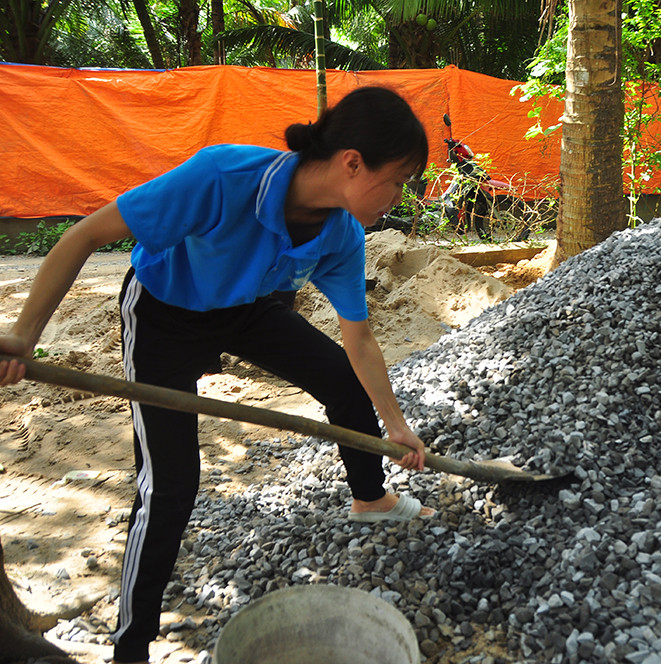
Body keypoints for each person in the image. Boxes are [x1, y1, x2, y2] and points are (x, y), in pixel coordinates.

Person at [0, 85, 435, 664]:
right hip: (164, 316)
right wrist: (23, 336)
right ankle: (132, 648)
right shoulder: (222, 177)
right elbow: (84, 236)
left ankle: (370, 498)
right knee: (170, 484)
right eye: (399, 179)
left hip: (248, 309)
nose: (400, 197)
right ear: (353, 163)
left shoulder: (342, 234)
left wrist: (395, 426)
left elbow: (359, 340)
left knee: (343, 379)